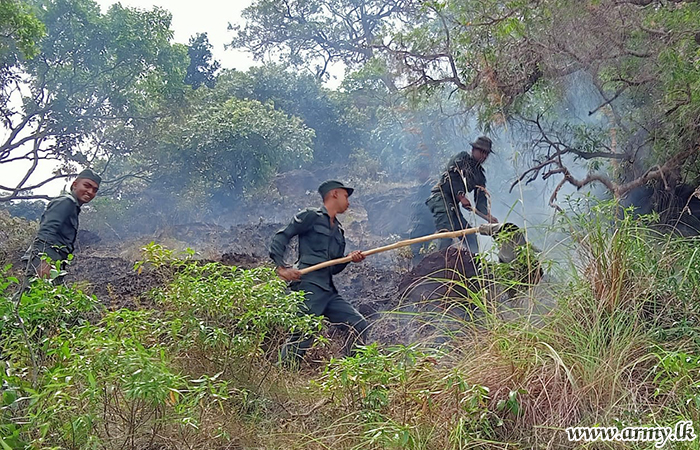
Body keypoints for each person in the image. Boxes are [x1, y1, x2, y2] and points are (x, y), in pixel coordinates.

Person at [270, 180, 369, 367]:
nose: (348, 202)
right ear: (334, 194)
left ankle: (349, 371)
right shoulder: (310, 216)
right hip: (308, 285)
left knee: (358, 324)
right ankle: (281, 375)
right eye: (346, 196)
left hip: (328, 290)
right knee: (305, 332)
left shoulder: (339, 232)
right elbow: (282, 235)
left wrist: (349, 259)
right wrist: (281, 267)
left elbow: (334, 266)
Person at [23, 169, 101, 281]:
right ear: (74, 184)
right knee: (32, 294)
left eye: (94, 190)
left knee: (43, 296)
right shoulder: (66, 201)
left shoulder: (73, 207)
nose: (90, 191)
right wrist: (44, 261)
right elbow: (47, 230)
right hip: (46, 258)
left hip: (54, 260)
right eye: (86, 186)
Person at [425, 136, 498, 254]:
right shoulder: (462, 158)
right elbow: (451, 177)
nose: (484, 156)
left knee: (470, 237)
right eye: (482, 152)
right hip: (440, 198)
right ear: (473, 150)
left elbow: (480, 200)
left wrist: (488, 216)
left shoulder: (479, 175)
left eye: (487, 154)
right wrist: (461, 196)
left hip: (454, 206)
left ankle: (474, 265)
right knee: (447, 232)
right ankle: (439, 265)